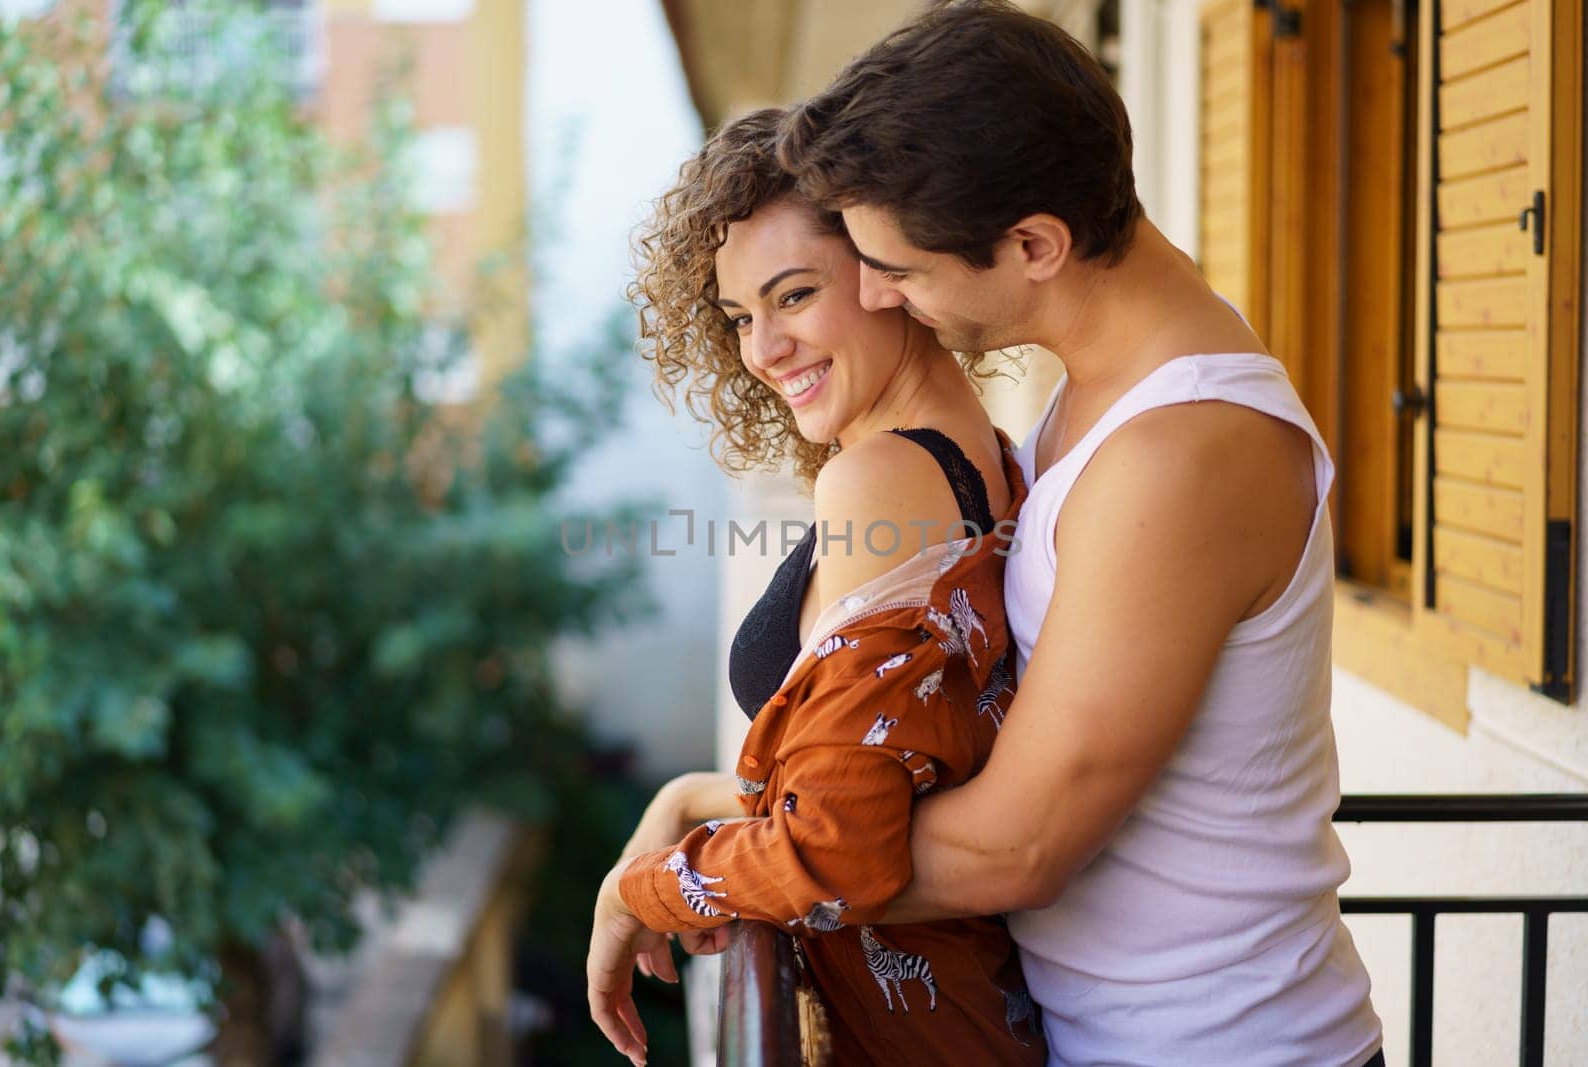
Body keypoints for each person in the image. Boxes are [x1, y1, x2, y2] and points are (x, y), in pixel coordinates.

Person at [770, 2, 1387, 1065]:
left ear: (1033, 243)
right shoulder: (1105, 388)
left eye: (901, 270)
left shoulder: (1180, 452)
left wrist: (713, 864)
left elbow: (1020, 843)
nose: (874, 295)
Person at [586, 109, 1046, 1065]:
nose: (762, 350)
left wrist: (639, 890)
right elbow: (890, 779)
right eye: (740, 318)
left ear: (889, 272)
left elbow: (839, 848)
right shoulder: (981, 453)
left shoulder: (879, 477)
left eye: (793, 296)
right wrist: (686, 797)